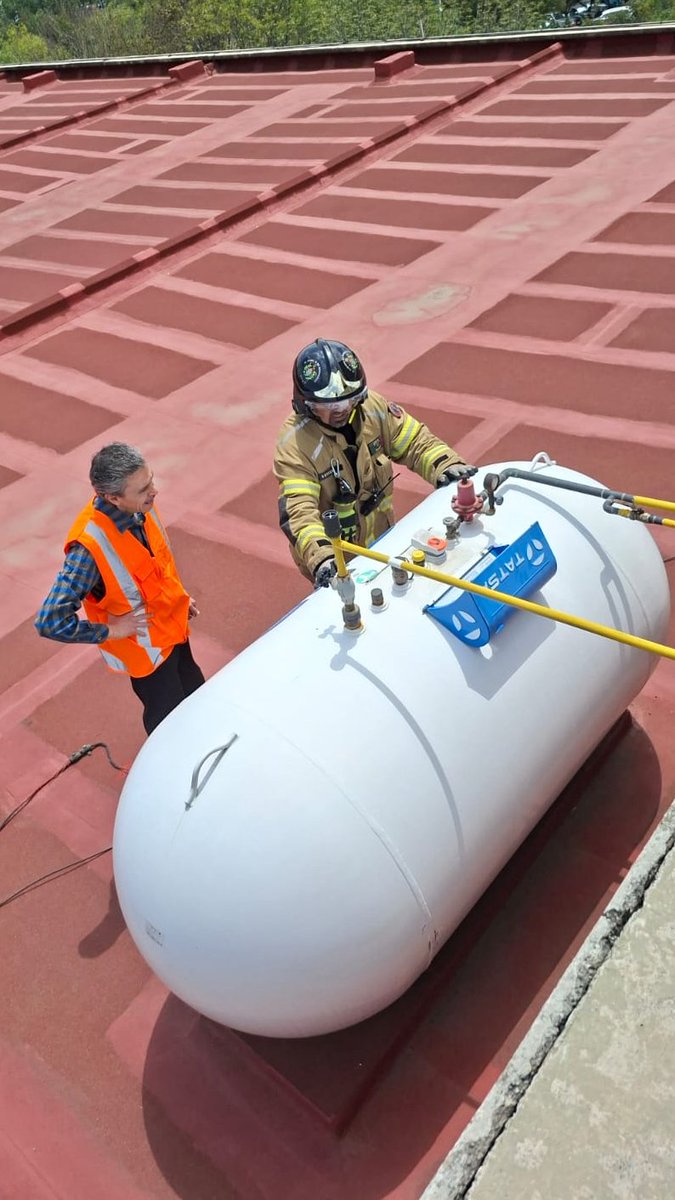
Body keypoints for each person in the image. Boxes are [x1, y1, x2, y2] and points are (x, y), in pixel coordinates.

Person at [274, 338, 476, 586]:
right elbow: (299, 512)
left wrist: (445, 465)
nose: (342, 409)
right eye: (331, 404)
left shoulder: (373, 410)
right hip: (341, 563)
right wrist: (322, 560)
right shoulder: (294, 445)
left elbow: (415, 442)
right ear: (308, 406)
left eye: (349, 400)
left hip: (384, 540)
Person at [35, 442, 205, 735]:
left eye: (150, 480)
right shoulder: (88, 549)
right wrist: (111, 631)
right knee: (170, 725)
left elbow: (156, 562)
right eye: (143, 488)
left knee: (199, 698)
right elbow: (49, 621)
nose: (154, 491)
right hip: (147, 655)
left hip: (174, 629)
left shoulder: (141, 506)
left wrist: (179, 598)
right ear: (112, 497)